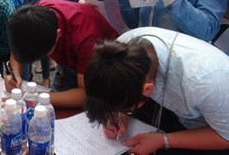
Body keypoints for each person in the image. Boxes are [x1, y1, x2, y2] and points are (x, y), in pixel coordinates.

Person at [84, 27, 229, 155]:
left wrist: (164, 141)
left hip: (212, 129)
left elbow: (225, 137)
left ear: (147, 89)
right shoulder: (121, 50)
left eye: (125, 108)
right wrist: (117, 114)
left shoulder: (205, 82)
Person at [4, 0, 118, 108]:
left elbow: (86, 94)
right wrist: (16, 76)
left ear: (58, 34)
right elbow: (17, 52)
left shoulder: (88, 40)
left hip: (106, 69)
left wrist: (36, 96)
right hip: (70, 62)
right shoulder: (34, 16)